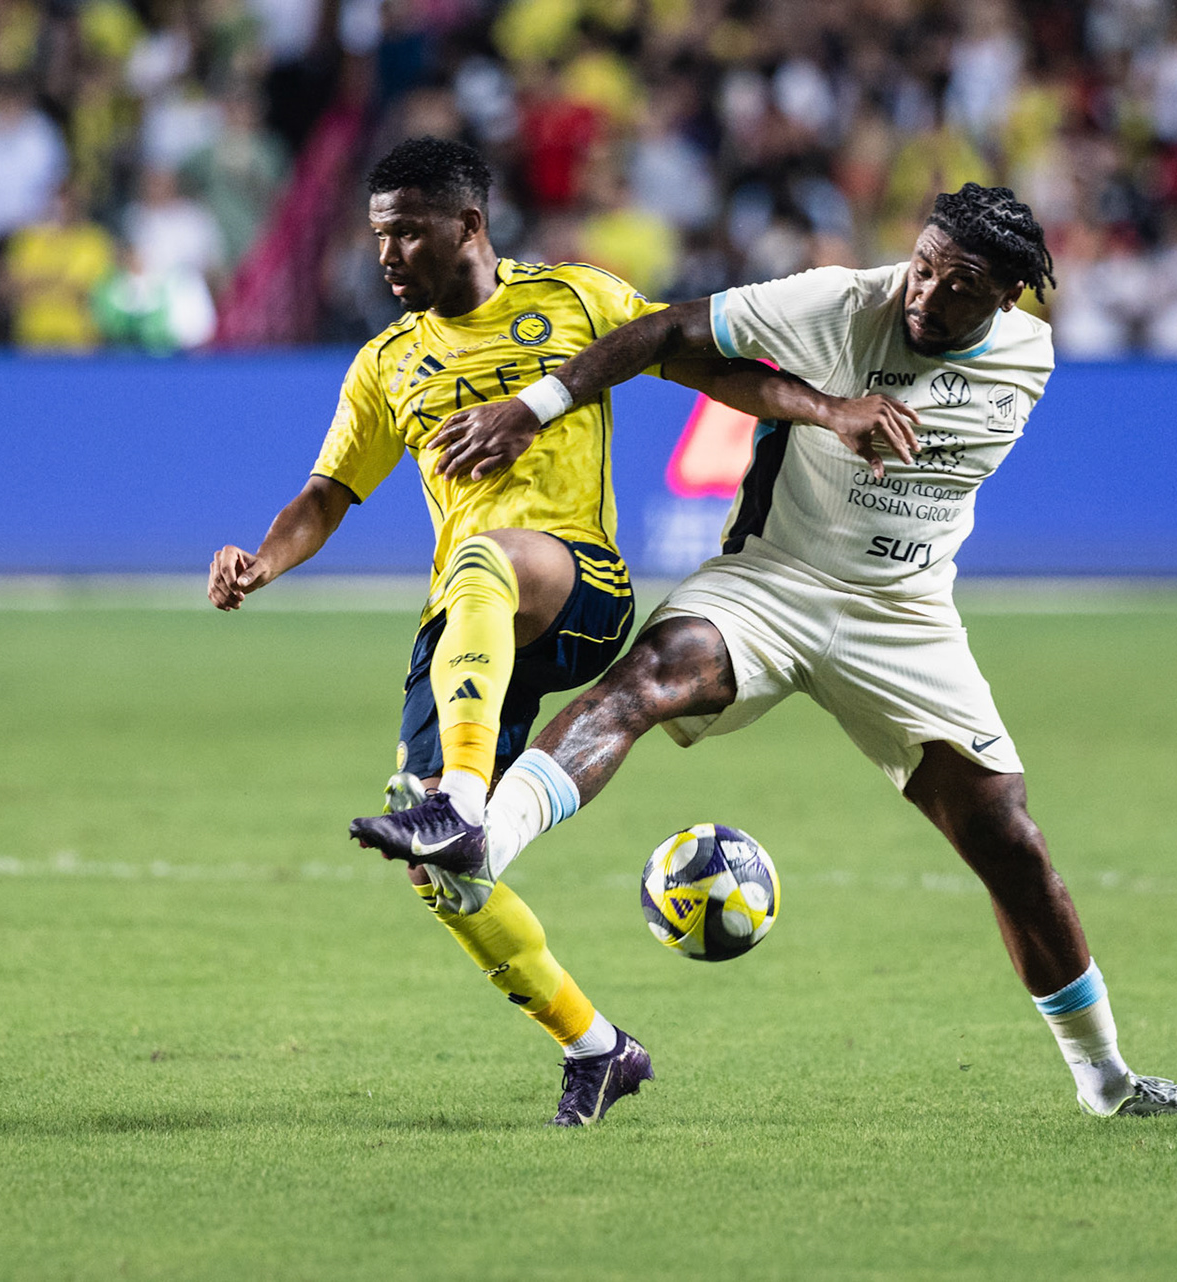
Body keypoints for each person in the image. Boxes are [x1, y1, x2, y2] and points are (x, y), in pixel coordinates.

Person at [353, 182, 1177, 1119]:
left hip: (905, 615)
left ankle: (1109, 1083)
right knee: (646, 681)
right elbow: (661, 333)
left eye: (958, 287)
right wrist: (539, 406)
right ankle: (478, 838)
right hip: (772, 584)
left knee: (1010, 845)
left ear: (1011, 299)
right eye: (924, 267)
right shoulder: (845, 300)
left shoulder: (1031, 357)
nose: (925, 297)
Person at [214, 136, 910, 1126]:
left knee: (486, 560)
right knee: (443, 881)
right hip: (467, 636)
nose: (388, 256)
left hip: (576, 584)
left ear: (469, 224)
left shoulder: (577, 301)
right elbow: (328, 495)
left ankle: (458, 797)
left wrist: (831, 409)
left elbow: (713, 367)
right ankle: (597, 1047)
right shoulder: (387, 363)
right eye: (378, 236)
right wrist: (262, 560)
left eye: (407, 232)